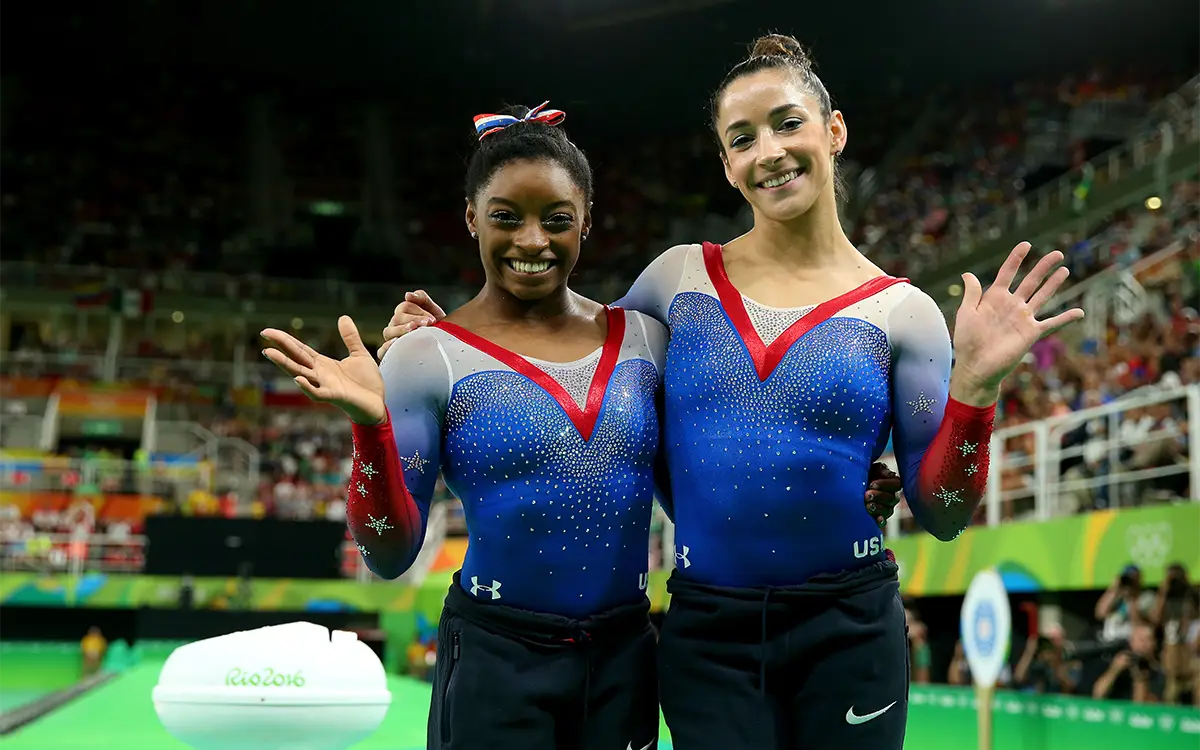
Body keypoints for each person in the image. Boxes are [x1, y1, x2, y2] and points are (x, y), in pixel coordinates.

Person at [379, 34, 1084, 750]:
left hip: (849, 630)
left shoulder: (902, 313)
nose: (768, 151)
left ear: (833, 131)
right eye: (741, 138)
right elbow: (570, 352)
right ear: (727, 165)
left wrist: (976, 387)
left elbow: (945, 515)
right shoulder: (676, 282)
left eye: (787, 123)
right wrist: (449, 340)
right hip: (707, 635)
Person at [262, 102, 902, 750]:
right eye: (505, 218)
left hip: (624, 660)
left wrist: (836, 494)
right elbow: (389, 554)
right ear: (470, 218)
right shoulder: (427, 357)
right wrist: (371, 430)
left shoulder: (646, 342)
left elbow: (707, 484)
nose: (532, 241)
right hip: (495, 659)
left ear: (587, 223)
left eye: (557, 220)